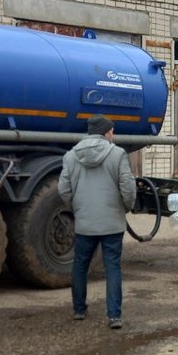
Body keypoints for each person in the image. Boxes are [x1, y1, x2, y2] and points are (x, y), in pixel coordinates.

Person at [58, 115, 136, 329]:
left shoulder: (71, 156)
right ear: (107, 132)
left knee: (80, 266)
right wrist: (125, 208)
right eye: (112, 130)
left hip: (85, 223)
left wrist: (77, 209)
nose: (114, 134)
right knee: (112, 267)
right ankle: (114, 316)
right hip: (112, 223)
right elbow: (128, 188)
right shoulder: (118, 154)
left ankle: (79, 310)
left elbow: (63, 189)